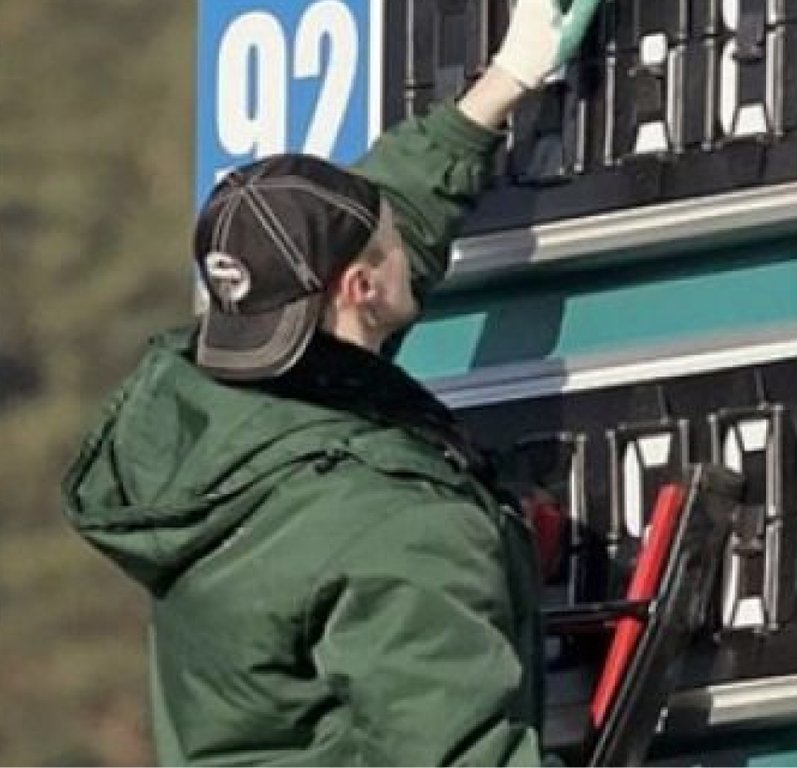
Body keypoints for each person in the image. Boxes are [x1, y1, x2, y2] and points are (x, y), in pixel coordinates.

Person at [61, 1, 600, 764]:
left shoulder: (211, 421)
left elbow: (385, 212)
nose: (401, 241)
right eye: (388, 246)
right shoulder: (393, 526)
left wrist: (502, 84)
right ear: (360, 288)